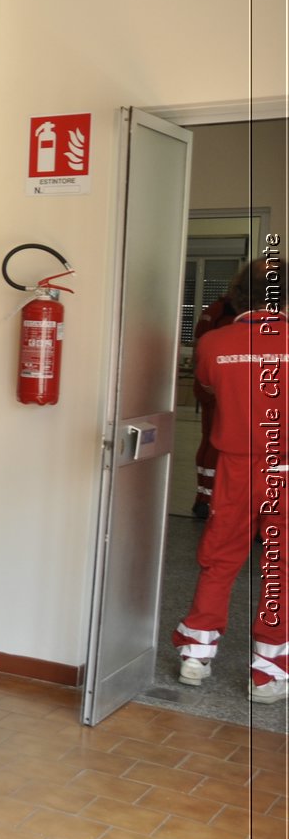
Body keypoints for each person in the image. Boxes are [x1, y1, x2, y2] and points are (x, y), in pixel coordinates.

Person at [173, 256, 289, 703]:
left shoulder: (213, 343)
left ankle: (196, 657)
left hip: (237, 466)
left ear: (238, 295)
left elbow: (211, 387)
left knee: (220, 559)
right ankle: (267, 675)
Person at [190, 268, 246, 520]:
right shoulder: (220, 311)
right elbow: (203, 348)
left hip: (228, 390)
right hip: (218, 392)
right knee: (213, 445)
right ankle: (205, 499)